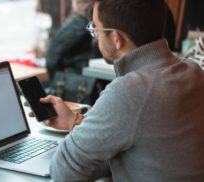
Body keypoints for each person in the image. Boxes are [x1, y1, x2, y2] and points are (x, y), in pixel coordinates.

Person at [27, 0, 204, 181]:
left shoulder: (129, 92)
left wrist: (79, 133)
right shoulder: (194, 72)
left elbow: (63, 171)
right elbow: (131, 144)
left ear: (116, 39)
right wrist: (75, 121)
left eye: (96, 28)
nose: (94, 35)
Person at [45, 0, 101, 78]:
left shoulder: (80, 22)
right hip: (84, 76)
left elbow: (51, 60)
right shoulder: (82, 24)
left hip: (79, 76)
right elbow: (52, 59)